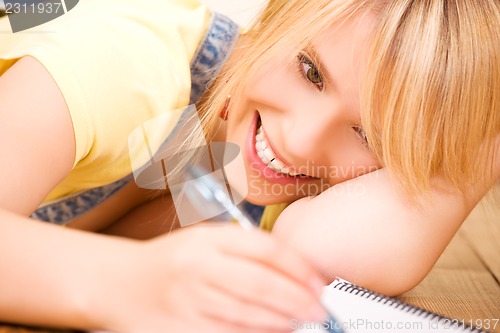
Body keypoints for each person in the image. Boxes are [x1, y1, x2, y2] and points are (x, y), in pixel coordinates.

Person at [0, 0, 498, 332]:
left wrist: (479, 144)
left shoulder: (295, 189)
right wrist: (135, 281)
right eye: (310, 71)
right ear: (277, 16)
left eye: (370, 136)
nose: (303, 141)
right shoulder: (124, 59)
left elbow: (319, 251)